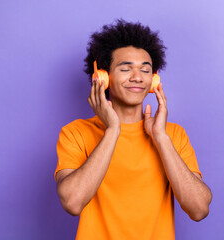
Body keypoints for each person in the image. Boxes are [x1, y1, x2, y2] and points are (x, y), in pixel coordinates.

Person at [54, 19, 212, 240]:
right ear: (103, 77)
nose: (137, 77)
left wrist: (160, 138)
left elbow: (199, 209)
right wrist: (112, 131)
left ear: (154, 79)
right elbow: (72, 202)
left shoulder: (173, 135)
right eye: (126, 68)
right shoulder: (75, 133)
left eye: (145, 70)